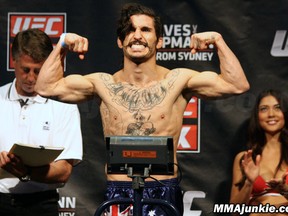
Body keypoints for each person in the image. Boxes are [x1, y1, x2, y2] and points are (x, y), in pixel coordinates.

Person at [35, 3, 249, 216]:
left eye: (145, 30)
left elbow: (236, 84)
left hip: (163, 189)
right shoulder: (102, 84)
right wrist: (61, 44)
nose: (137, 35)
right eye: (130, 30)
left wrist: (218, 41)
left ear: (160, 41)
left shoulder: (179, 80)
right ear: (120, 41)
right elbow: (45, 87)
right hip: (119, 191)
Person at [0, 28, 83, 216]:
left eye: (38, 71)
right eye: (25, 70)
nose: (31, 78)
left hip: (42, 205)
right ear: (14, 62)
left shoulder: (65, 106)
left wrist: (26, 171)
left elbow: (63, 171)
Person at [230, 89, 288, 216]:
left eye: (277, 108)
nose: (271, 114)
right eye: (264, 109)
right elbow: (234, 211)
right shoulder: (245, 159)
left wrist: (286, 191)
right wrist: (249, 183)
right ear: (257, 116)